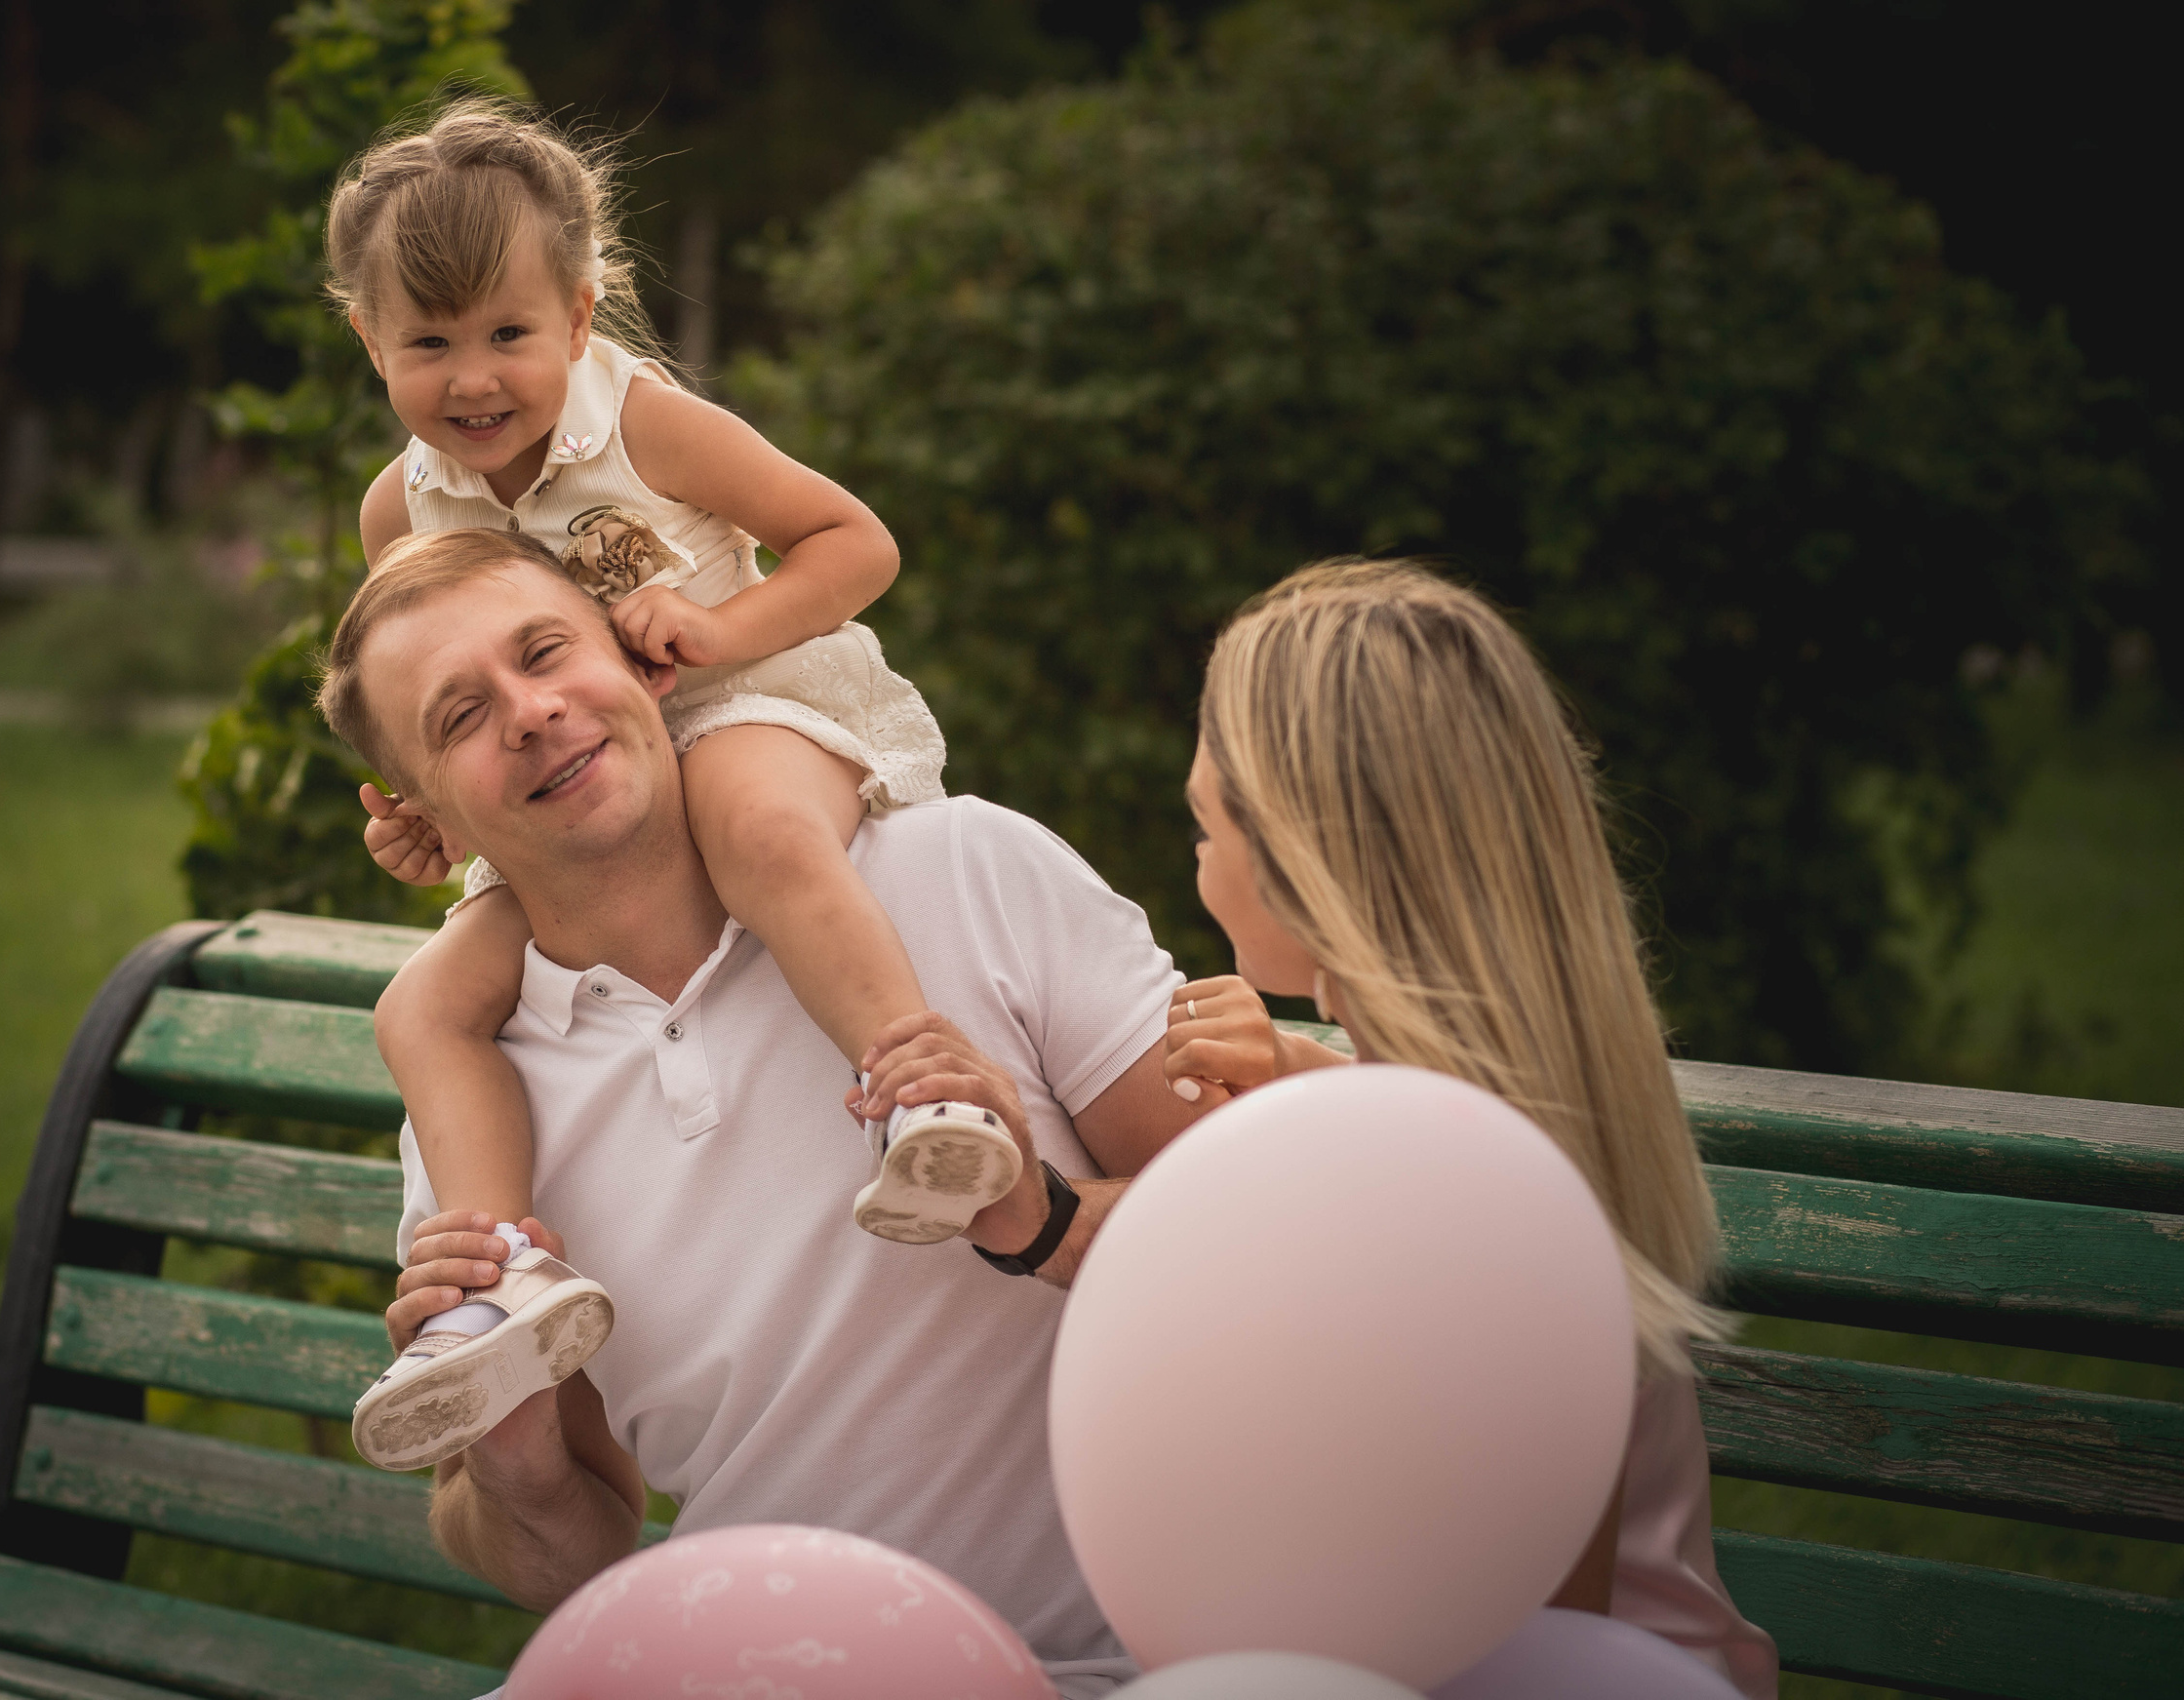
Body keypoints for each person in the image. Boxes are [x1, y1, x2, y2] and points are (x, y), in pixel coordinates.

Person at [315, 528, 1203, 1695]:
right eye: (461, 718)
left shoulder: (969, 871)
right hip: (758, 1669)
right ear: (426, 818)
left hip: (1109, 1665)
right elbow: (570, 1558)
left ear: (642, 664)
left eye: (545, 653)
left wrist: (1047, 1217)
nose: (529, 712)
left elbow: (1279, 1253)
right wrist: (516, 1468)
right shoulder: (479, 1116)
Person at [322, 102, 1020, 1472]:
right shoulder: (395, 513)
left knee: (753, 823)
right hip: (565, 784)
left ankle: (926, 1092)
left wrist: (726, 631)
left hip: (740, 707)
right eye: (430, 343)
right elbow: (410, 699)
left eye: (509, 333)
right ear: (370, 341)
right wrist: (419, 808)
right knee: (426, 1002)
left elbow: (850, 540)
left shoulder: (646, 421)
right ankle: (496, 1277)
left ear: (578, 317)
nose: (474, 378)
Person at [1148, 559, 1779, 1697]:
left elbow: (1546, 1639)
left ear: (1305, 857)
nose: (1195, 858)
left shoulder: (1485, 1210)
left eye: (1204, 824)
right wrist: (1301, 1065)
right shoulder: (1503, 1119)